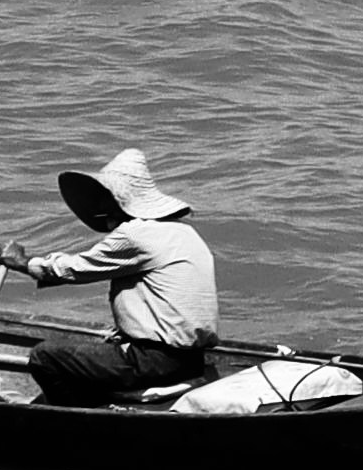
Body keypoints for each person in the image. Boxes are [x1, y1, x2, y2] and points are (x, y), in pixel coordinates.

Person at [18, 146, 219, 398]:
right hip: (191, 360)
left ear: (119, 198)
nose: (99, 204)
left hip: (154, 361)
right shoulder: (184, 232)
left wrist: (23, 263)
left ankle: (73, 416)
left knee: (44, 356)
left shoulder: (136, 234)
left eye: (104, 196)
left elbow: (74, 269)